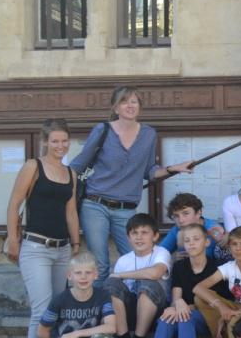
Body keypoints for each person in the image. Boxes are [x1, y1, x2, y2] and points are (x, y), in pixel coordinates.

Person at [70, 86, 194, 280]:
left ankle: (132, 306)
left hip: (125, 209)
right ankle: (105, 309)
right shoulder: (103, 130)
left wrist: (173, 168)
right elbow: (79, 163)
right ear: (116, 108)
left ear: (139, 107)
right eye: (124, 101)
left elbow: (150, 171)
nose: (130, 105)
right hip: (95, 204)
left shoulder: (148, 134)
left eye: (134, 101)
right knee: (100, 264)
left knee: (138, 259)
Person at [5, 118, 81, 338]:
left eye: (64, 141)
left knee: (58, 307)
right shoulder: (32, 166)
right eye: (55, 141)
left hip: (62, 249)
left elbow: (71, 212)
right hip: (35, 247)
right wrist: (13, 239)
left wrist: (75, 244)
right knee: (41, 310)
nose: (60, 146)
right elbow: (15, 203)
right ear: (45, 141)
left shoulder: (70, 173)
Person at [130, 223, 211, 338]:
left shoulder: (216, 267)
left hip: (207, 317)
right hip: (184, 316)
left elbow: (213, 304)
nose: (191, 244)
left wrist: (185, 307)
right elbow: (176, 298)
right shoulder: (180, 266)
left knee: (184, 317)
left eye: (196, 239)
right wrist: (176, 305)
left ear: (207, 242)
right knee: (167, 319)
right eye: (187, 240)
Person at [104, 213, 171, 338]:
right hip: (130, 312)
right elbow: (115, 287)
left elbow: (155, 273)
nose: (139, 237)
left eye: (144, 232)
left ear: (155, 236)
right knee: (110, 284)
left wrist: (121, 275)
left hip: (157, 311)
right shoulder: (123, 260)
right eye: (134, 233)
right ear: (128, 237)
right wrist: (117, 277)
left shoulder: (161, 252)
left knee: (148, 284)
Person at [159, 193, 227, 260]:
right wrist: (173, 259)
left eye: (186, 213)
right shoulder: (177, 230)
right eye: (176, 216)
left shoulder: (213, 229)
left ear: (198, 213)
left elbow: (230, 258)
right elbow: (159, 253)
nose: (181, 220)